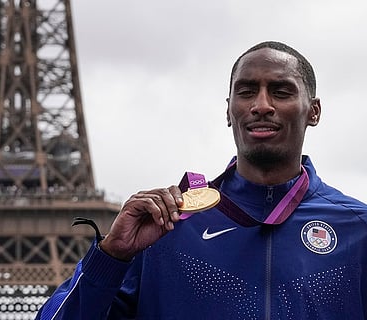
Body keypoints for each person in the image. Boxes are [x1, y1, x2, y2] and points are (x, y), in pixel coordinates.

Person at [35, 41, 367, 319]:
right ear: (228, 111)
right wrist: (111, 256)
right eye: (247, 92)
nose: (262, 105)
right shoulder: (167, 226)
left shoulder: (359, 230)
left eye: (280, 92)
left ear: (314, 111)